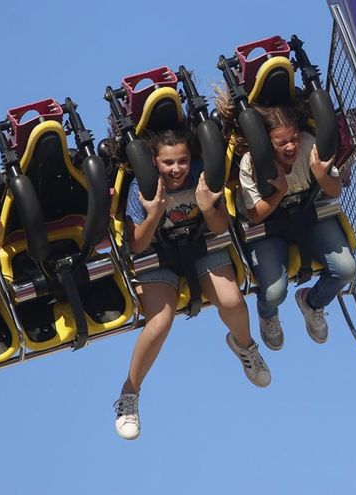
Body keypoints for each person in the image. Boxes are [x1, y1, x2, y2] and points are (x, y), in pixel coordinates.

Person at [113, 128, 271, 441]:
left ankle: (245, 347)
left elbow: (219, 226)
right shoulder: (140, 189)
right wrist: (155, 213)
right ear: (155, 162)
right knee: (160, 322)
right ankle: (129, 394)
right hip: (157, 257)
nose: (176, 169)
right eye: (168, 162)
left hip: (200, 247)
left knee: (232, 302)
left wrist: (207, 205)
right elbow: (138, 245)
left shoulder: (201, 175)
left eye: (182, 161)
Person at [220, 97, 356, 351]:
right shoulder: (252, 162)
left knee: (346, 269)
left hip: (309, 216)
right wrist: (279, 192)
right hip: (267, 228)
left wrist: (320, 175)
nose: (291, 146)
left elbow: (335, 189)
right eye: (282, 142)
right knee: (274, 292)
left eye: (293, 138)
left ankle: (312, 303)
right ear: (267, 142)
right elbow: (256, 215)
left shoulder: (308, 145)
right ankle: (268, 314)